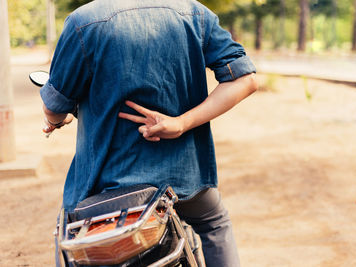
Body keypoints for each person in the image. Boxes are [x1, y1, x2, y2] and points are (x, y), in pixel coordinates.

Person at [40, 0, 257, 266]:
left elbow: (54, 106)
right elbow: (245, 79)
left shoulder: (83, 22)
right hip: (184, 180)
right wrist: (182, 122)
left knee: (71, 234)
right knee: (214, 225)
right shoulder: (195, 13)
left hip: (110, 184)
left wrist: (56, 119)